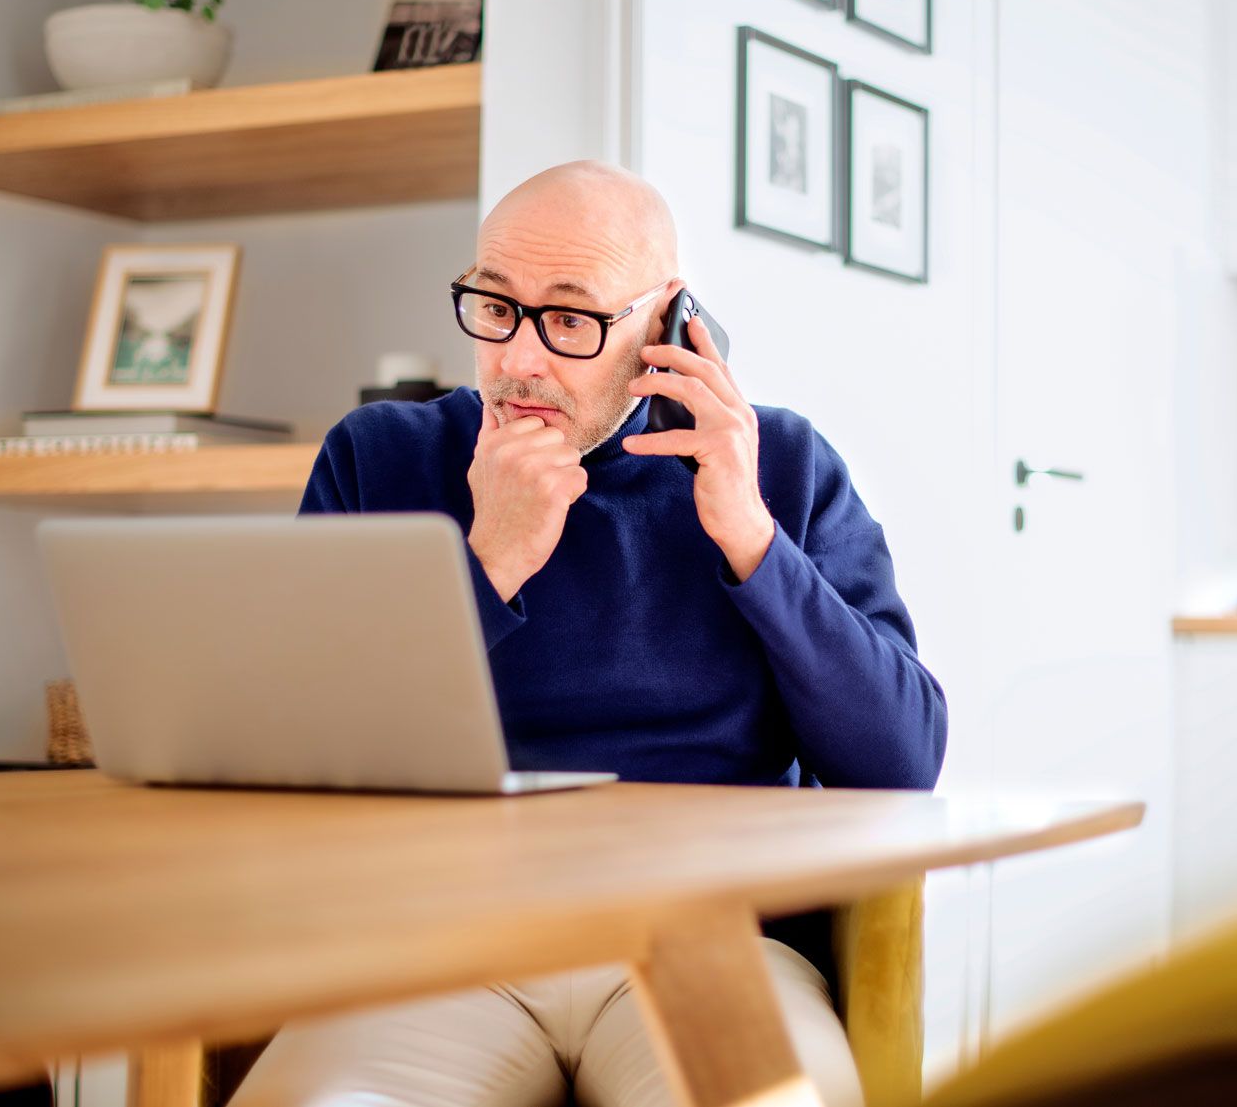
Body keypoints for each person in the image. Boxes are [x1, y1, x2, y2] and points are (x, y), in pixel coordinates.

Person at [231, 160, 947, 1107]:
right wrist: (490, 561)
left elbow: (899, 759)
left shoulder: (781, 465)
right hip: (440, 944)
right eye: (494, 305)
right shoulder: (382, 457)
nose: (519, 359)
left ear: (669, 324)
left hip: (709, 941)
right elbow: (299, 752)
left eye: (570, 319)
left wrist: (750, 539)